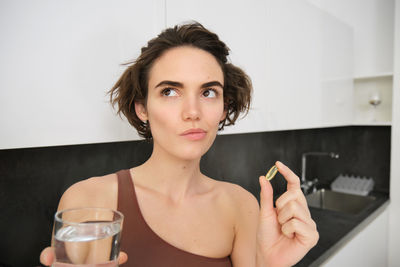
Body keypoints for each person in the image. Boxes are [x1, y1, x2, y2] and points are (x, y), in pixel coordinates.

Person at [40, 22, 318, 267]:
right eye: (170, 91)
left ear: (223, 107)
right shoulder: (88, 201)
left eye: (208, 92)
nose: (193, 111)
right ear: (142, 108)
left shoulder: (240, 206)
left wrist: (272, 265)